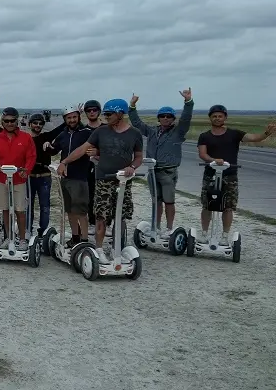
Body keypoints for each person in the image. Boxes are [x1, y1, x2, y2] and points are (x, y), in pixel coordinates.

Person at [57, 99, 143, 264]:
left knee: (121, 215)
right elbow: (82, 149)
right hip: (103, 179)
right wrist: (64, 162)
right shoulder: (101, 131)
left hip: (123, 180)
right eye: (105, 113)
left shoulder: (134, 133)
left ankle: (117, 246)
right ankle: (99, 249)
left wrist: (132, 166)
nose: (106, 116)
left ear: (120, 113)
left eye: (109, 114)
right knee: (100, 215)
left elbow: (138, 156)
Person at [196, 105, 275, 243]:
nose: (217, 118)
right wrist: (214, 160)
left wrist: (266, 134)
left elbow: (253, 138)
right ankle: (204, 233)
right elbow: (203, 154)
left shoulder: (234, 134)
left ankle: (225, 236)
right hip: (211, 175)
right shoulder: (204, 136)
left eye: (220, 116)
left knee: (228, 206)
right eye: (214, 116)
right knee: (207, 205)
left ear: (225, 117)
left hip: (230, 175)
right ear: (210, 118)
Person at [128, 88, 194, 236]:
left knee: (169, 201)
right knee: (156, 201)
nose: (165, 118)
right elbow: (137, 123)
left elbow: (186, 119)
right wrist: (132, 106)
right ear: (158, 118)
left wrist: (188, 102)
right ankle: (156, 227)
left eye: (169, 116)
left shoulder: (178, 132)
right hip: (152, 171)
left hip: (168, 172)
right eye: (163, 116)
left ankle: (170, 229)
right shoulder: (152, 131)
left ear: (173, 119)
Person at [0, 107, 36, 250]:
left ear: (17, 121)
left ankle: (22, 239)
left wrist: (26, 170)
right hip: (1, 179)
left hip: (18, 179)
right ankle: (8, 237)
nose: (9, 123)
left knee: (20, 210)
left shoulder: (26, 138)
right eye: (6, 121)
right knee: (5, 209)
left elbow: (31, 156)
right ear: (2, 122)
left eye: (12, 121)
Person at [44, 105, 92, 246]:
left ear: (79, 117)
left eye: (74, 117)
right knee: (70, 210)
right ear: (65, 119)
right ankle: (75, 237)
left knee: (81, 211)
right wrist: (48, 145)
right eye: (69, 118)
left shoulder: (86, 133)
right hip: (65, 178)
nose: (72, 120)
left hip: (80, 177)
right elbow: (54, 150)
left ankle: (84, 240)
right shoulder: (63, 134)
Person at [27, 112, 66, 239]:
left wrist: (73, 116)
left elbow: (62, 128)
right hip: (29, 177)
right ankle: (27, 230)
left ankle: (43, 232)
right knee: (28, 206)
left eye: (40, 123)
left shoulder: (46, 137)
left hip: (44, 176)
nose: (38, 125)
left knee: (45, 206)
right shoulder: (25, 139)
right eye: (35, 123)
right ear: (30, 124)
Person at [81, 99, 105, 233]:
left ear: (99, 111)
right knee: (89, 194)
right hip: (87, 167)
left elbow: (113, 148)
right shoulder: (84, 129)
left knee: (103, 195)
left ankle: (104, 223)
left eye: (94, 110)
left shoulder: (106, 128)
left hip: (104, 167)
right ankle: (91, 222)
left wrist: (99, 152)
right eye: (88, 110)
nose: (91, 112)